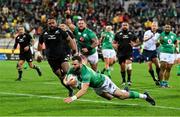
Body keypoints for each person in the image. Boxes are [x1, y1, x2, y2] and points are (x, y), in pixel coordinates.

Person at [63, 55, 155, 106]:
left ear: (80, 64)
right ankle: (124, 90)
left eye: (75, 64)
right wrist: (67, 82)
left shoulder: (86, 73)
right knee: (110, 98)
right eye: (72, 64)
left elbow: (84, 90)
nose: (73, 66)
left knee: (121, 96)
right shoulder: (72, 69)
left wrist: (72, 98)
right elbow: (65, 78)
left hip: (104, 82)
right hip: (96, 87)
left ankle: (145, 96)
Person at [38, 17, 77, 96]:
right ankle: (70, 90)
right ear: (47, 24)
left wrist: (74, 50)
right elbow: (40, 43)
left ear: (56, 23)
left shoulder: (60, 31)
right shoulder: (44, 33)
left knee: (67, 71)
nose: (51, 25)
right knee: (61, 76)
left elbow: (69, 40)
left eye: (53, 23)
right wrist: (39, 54)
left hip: (61, 55)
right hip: (51, 58)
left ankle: (78, 82)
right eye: (50, 23)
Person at [159, 23, 177, 88]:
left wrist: (176, 48)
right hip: (164, 52)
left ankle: (166, 82)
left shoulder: (174, 35)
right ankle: (161, 83)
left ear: (170, 28)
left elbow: (175, 42)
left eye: (168, 27)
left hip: (171, 53)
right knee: (162, 68)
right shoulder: (162, 34)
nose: (167, 28)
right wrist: (160, 41)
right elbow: (160, 42)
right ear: (164, 28)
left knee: (169, 68)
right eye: (166, 27)